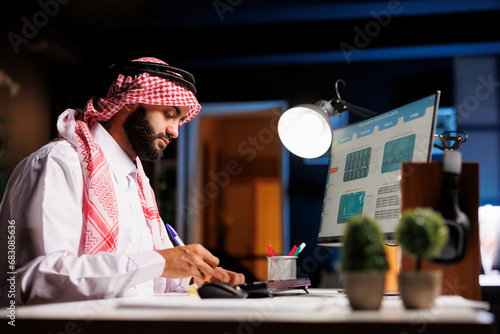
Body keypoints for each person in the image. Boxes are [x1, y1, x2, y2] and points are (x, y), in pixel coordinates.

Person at [0, 57, 244, 306]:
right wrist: (162, 260)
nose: (175, 131)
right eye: (168, 115)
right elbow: (34, 279)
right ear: (130, 102)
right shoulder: (59, 163)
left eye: (179, 120)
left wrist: (195, 276)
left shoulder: (138, 183)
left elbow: (148, 278)